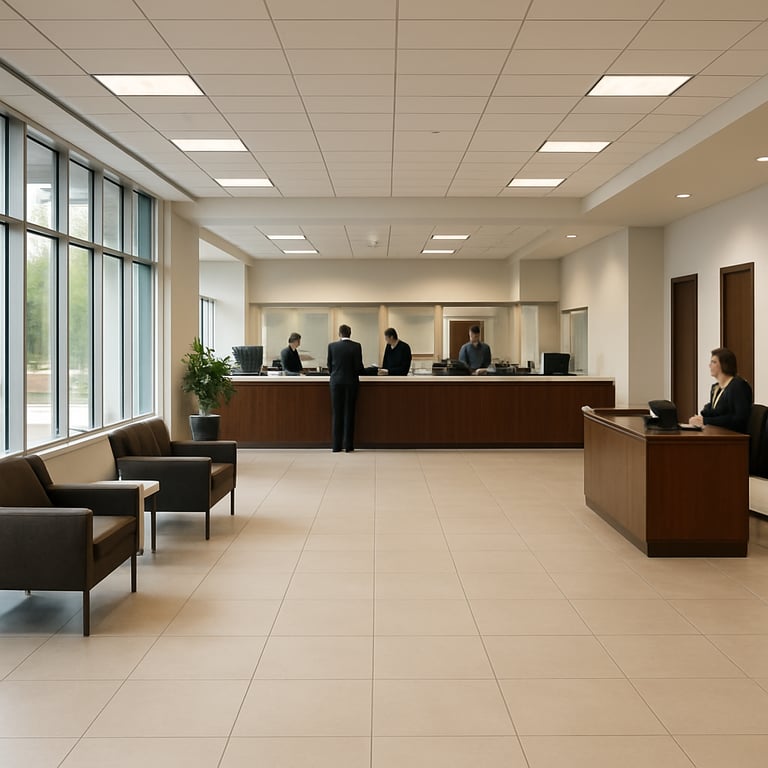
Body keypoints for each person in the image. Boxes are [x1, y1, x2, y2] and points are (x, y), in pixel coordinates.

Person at [688, 347, 752, 433]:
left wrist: (705, 420)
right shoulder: (716, 388)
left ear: (724, 364)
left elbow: (739, 419)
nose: (709, 365)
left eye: (714, 362)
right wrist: (700, 418)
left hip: (734, 437)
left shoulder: (738, 386)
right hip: (718, 433)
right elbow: (715, 412)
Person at [327, 324, 364, 452]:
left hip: (336, 382)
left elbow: (329, 366)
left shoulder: (332, 346)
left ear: (339, 333)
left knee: (337, 413)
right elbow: (359, 367)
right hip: (351, 382)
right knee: (350, 413)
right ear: (350, 333)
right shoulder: (356, 346)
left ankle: (336, 446)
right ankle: (348, 446)